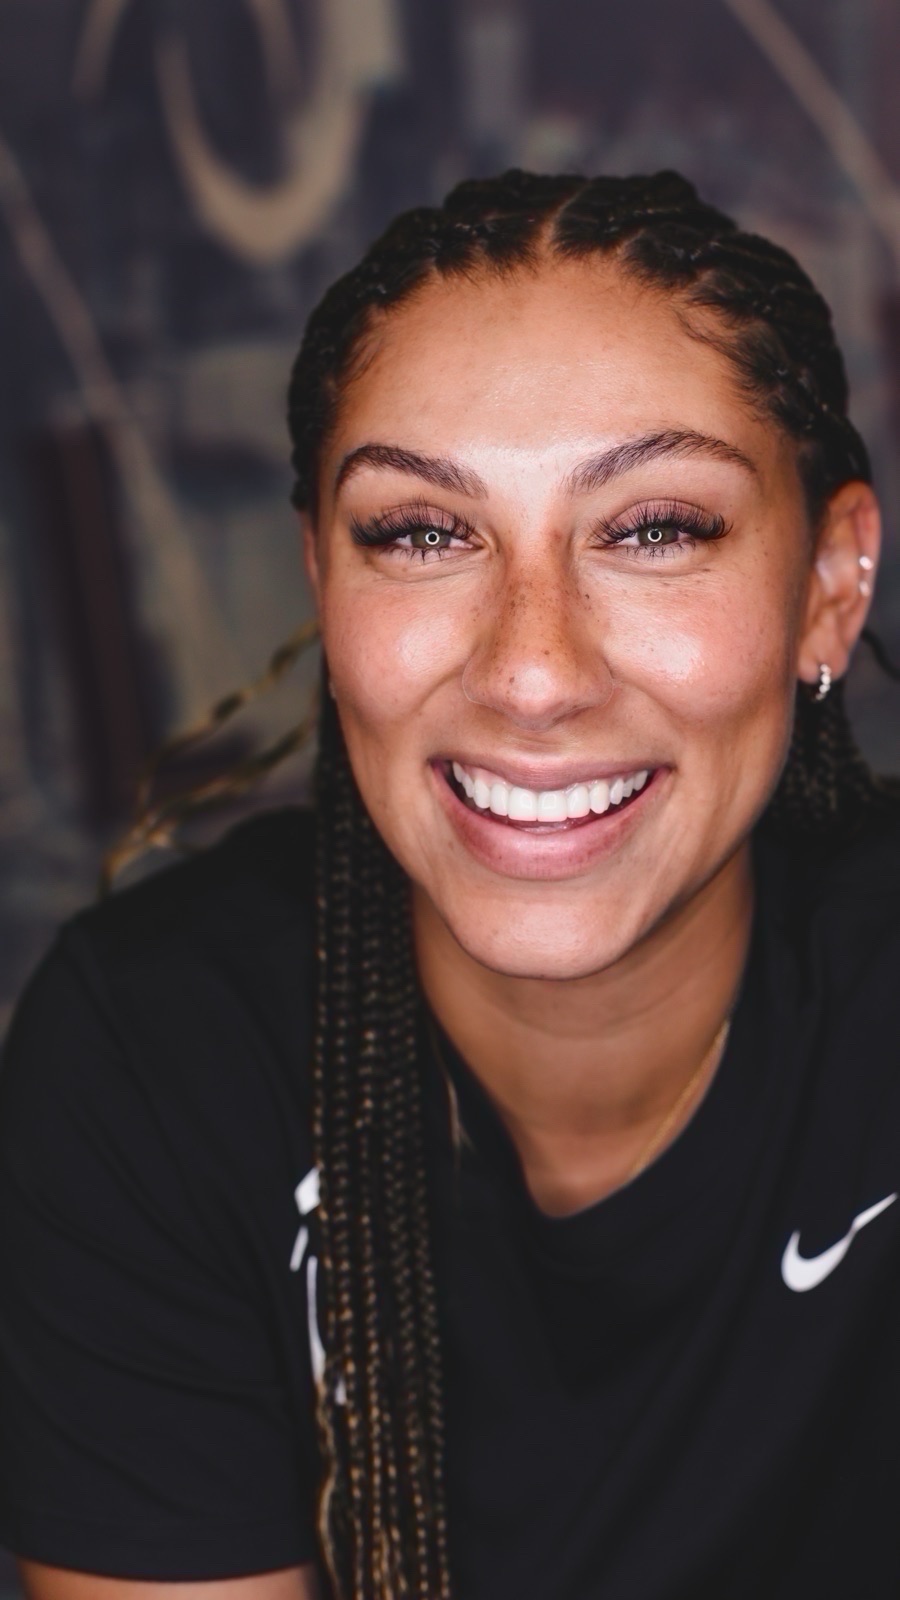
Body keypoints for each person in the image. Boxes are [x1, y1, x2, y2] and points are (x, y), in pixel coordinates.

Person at [1, 167, 899, 1600]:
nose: (531, 672)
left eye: (654, 528)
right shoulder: (155, 1065)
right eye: (421, 533)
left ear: (829, 587)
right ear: (322, 580)